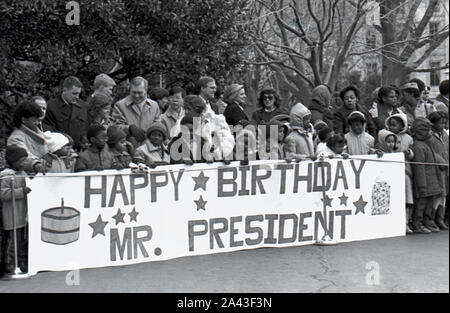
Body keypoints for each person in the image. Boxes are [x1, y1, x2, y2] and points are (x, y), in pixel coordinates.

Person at [0, 145, 31, 273]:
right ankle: (10, 263)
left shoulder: (23, 174)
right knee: (13, 242)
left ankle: (21, 262)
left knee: (22, 241)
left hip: (22, 214)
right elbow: (4, 194)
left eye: (25, 160)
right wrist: (22, 192)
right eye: (22, 160)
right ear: (13, 161)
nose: (25, 163)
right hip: (11, 215)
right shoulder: (6, 176)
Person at [410, 117, 444, 233]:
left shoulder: (426, 144)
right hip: (424, 183)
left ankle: (427, 222)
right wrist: (422, 185)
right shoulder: (418, 146)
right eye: (427, 129)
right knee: (420, 205)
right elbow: (419, 167)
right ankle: (417, 224)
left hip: (432, 181)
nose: (430, 132)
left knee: (429, 205)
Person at [385, 113, 415, 233]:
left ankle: (406, 222)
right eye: (390, 125)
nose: (392, 127)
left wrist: (409, 153)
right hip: (390, 171)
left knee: (406, 199)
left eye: (395, 125)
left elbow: (412, 155)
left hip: (405, 171)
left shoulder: (408, 138)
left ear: (402, 125)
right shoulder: (386, 136)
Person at [112, 76, 161, 148]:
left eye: (140, 92)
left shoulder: (154, 106)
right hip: (127, 150)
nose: (136, 96)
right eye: (134, 92)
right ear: (130, 90)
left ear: (146, 90)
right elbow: (114, 128)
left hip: (149, 149)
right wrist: (129, 129)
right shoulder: (120, 105)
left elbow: (158, 127)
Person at [43, 76, 89, 150]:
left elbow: (86, 128)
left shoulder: (83, 107)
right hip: (60, 150)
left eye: (78, 94)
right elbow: (49, 132)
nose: (77, 97)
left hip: (79, 150)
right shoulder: (51, 107)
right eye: (74, 94)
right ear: (64, 90)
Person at [7, 100, 47, 173]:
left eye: (38, 120)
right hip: (28, 177)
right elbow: (23, 158)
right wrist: (36, 164)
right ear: (24, 120)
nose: (37, 123)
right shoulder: (16, 138)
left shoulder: (39, 132)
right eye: (34, 121)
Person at [427, 111, 449, 230]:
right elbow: (431, 152)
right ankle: (432, 218)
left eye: (445, 122)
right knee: (438, 194)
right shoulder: (429, 136)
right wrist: (440, 161)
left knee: (444, 194)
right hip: (436, 168)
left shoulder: (445, 135)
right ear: (433, 123)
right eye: (441, 122)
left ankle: (440, 218)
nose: (443, 125)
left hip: (446, 169)